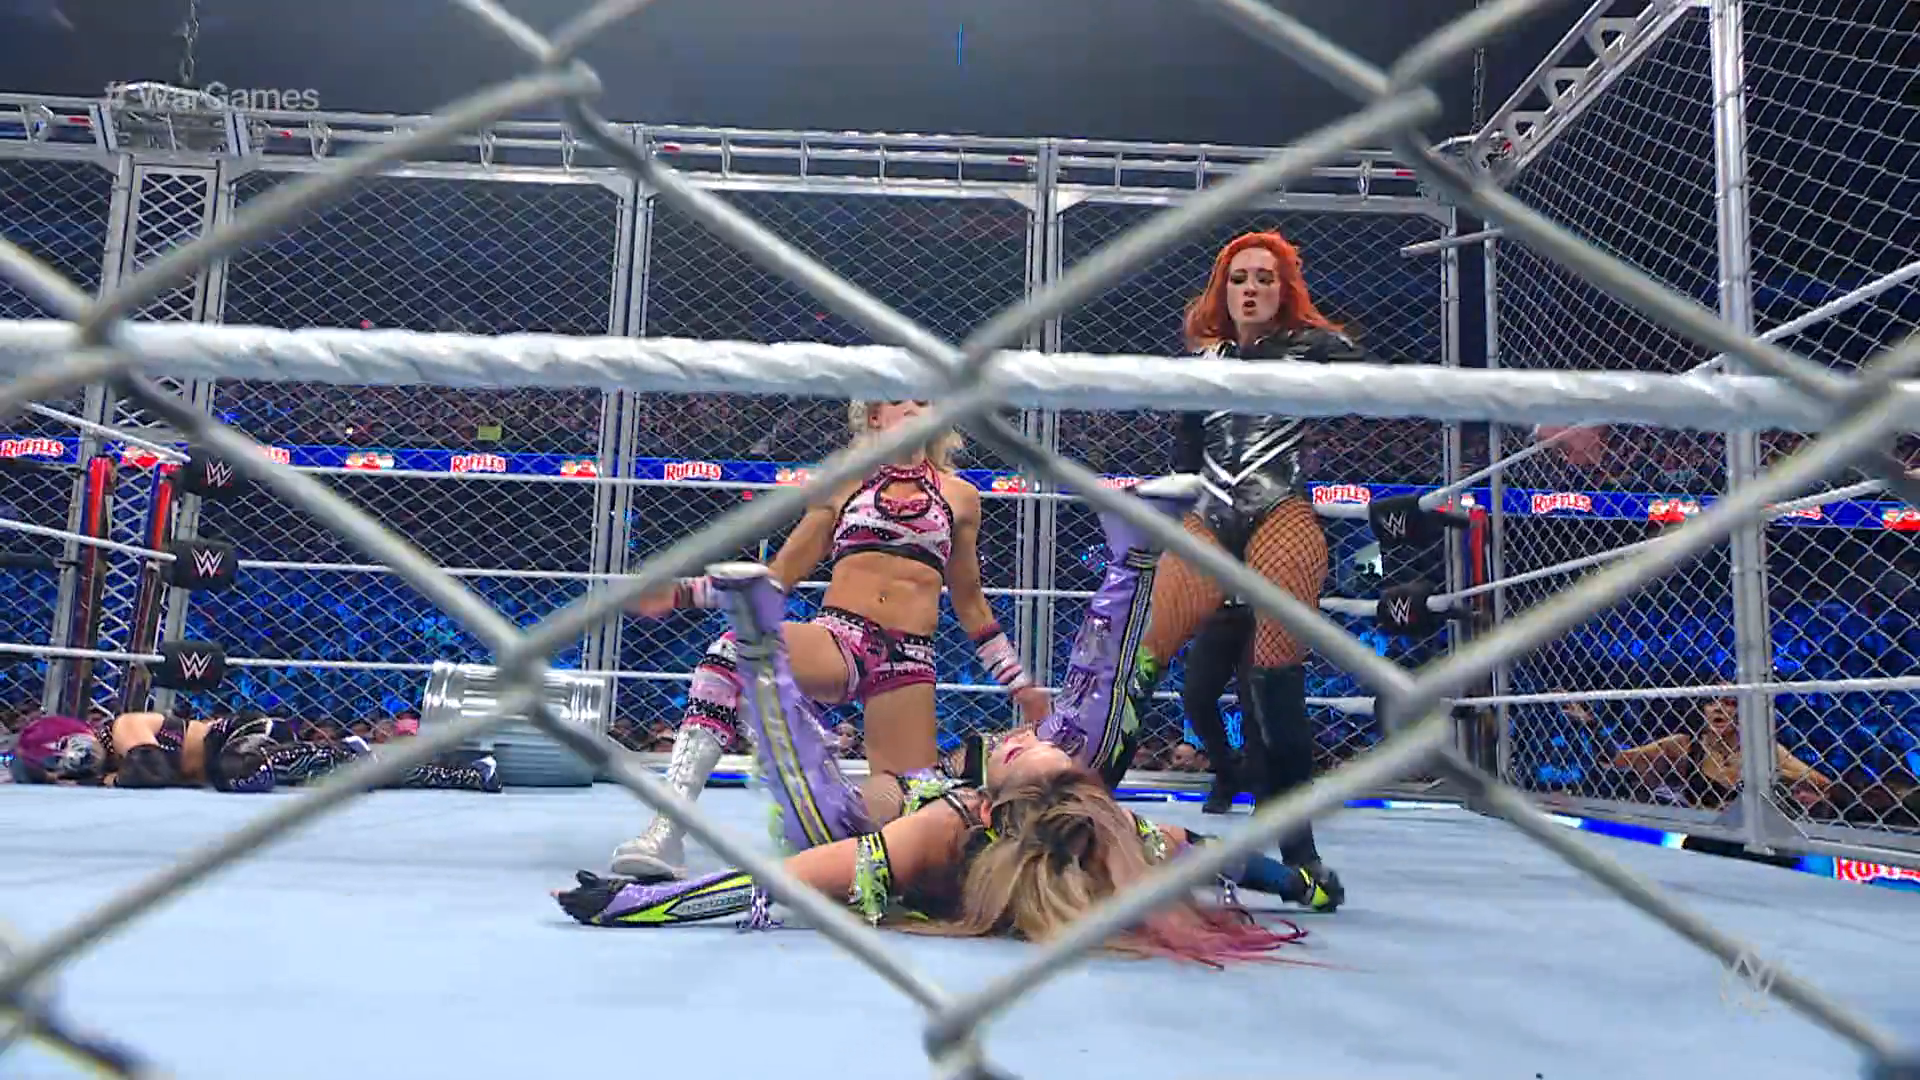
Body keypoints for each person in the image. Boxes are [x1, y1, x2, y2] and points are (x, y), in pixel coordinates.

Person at [556, 477, 1339, 958]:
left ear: (999, 795)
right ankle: (1132, 560)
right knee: (1088, 741)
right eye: (1037, 748)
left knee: (831, 823)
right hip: (851, 642)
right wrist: (1296, 883)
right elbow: (1207, 855)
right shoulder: (1101, 829)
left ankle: (759, 647)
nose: (1025, 741)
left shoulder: (945, 828)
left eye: (1024, 752)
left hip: (908, 693)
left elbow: (789, 881)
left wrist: (638, 905)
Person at [612, 400, 1047, 880]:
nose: (915, 405)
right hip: (841, 640)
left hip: (908, 661)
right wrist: (682, 593)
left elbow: (971, 603)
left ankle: (827, 824)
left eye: (925, 399)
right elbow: (777, 579)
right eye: (900, 398)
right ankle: (667, 827)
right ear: (875, 416)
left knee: (905, 805)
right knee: (731, 652)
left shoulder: (961, 497)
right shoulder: (844, 481)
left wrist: (1018, 684)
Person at [1110, 230, 1362, 908]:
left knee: (1277, 678)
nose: (1251, 289)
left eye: (1264, 278)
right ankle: (1087, 808)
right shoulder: (1203, 361)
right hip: (1209, 514)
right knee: (1142, 657)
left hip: (1279, 507)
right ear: (1223, 290)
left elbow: (1384, 386)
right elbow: (1186, 454)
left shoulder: (1314, 348)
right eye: (1240, 278)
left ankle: (1300, 853)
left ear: (1283, 290)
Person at [9, 709, 501, 792]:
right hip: (239, 763)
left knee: (239, 772)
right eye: (54, 773)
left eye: (58, 762)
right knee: (365, 776)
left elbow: (151, 769)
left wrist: (107, 779)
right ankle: (470, 772)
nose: (65, 773)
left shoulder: (123, 727)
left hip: (242, 733)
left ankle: (344, 754)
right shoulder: (108, 762)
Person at [1181, 598, 1267, 814]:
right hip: (1219, 607)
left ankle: (1263, 784)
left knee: (1256, 700)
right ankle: (1227, 770)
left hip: (1264, 610)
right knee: (1196, 696)